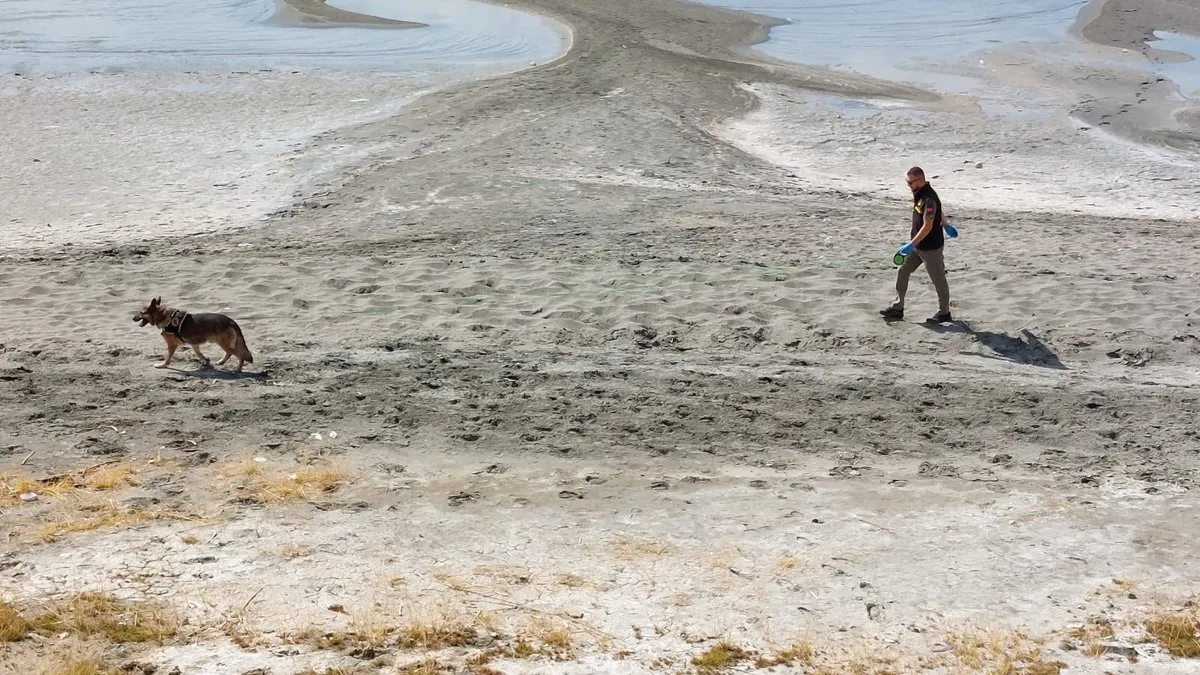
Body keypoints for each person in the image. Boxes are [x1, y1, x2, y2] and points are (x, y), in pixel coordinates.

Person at [879, 166, 952, 323]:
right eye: (907, 182)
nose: (908, 185)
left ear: (920, 180)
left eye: (910, 182)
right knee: (903, 270)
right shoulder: (919, 193)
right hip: (918, 246)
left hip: (931, 247)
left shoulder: (929, 198)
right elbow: (940, 212)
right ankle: (898, 308)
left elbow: (928, 225)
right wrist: (946, 223)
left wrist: (910, 244)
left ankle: (944, 312)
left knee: (938, 279)